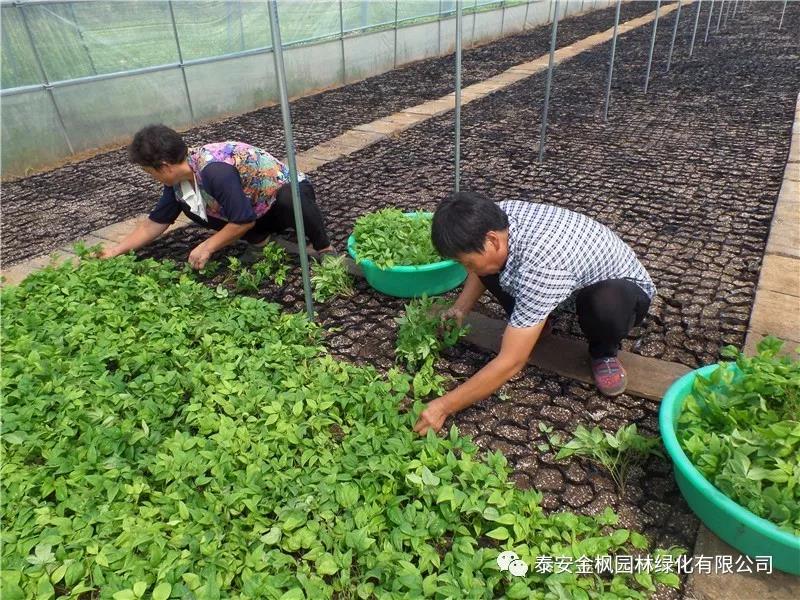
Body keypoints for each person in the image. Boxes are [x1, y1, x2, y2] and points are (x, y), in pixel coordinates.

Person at [413, 191, 655, 436]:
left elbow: (511, 362)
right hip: (565, 281)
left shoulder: (542, 263)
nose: (467, 269)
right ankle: (536, 320)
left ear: (492, 240)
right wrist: (460, 308)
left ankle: (604, 353)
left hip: (621, 290)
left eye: (467, 263)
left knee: (605, 305)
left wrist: (443, 407)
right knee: (489, 266)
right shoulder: (491, 220)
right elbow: (482, 268)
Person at [101, 124, 334, 268]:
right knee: (193, 207)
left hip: (282, 202)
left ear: (164, 166)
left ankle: (324, 247)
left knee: (290, 196)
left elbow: (243, 220)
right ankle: (260, 242)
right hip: (255, 208)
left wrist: (207, 246)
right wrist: (114, 251)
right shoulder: (178, 184)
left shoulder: (214, 169)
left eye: (149, 171)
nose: (152, 177)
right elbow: (154, 223)